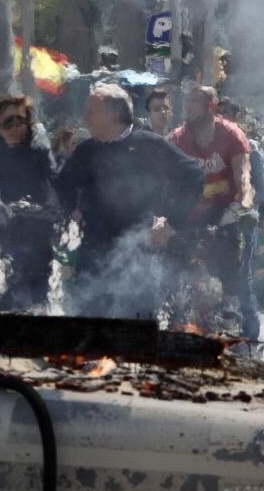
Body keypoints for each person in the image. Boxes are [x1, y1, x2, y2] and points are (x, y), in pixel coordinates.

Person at [54, 83, 204, 320]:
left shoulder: (150, 144)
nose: (85, 117)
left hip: (138, 251)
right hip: (94, 253)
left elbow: (193, 175)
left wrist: (171, 222)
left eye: (92, 111)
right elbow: (62, 185)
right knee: (88, 325)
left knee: (134, 326)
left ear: (113, 114)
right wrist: (71, 209)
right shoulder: (87, 150)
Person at [167, 85, 259, 341]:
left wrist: (245, 203)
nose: (189, 107)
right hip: (191, 214)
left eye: (195, 102)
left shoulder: (231, 135)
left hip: (226, 210)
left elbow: (243, 176)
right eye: (187, 101)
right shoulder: (176, 138)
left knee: (237, 277)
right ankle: (181, 326)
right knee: (179, 271)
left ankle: (248, 338)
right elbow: (165, 177)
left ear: (211, 106)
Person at [0, 95, 57, 312]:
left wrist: (49, 209)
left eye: (20, 120)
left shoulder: (39, 147)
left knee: (39, 287)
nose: (16, 126)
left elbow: (53, 179)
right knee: (12, 284)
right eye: (9, 122)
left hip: (39, 226)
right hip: (7, 228)